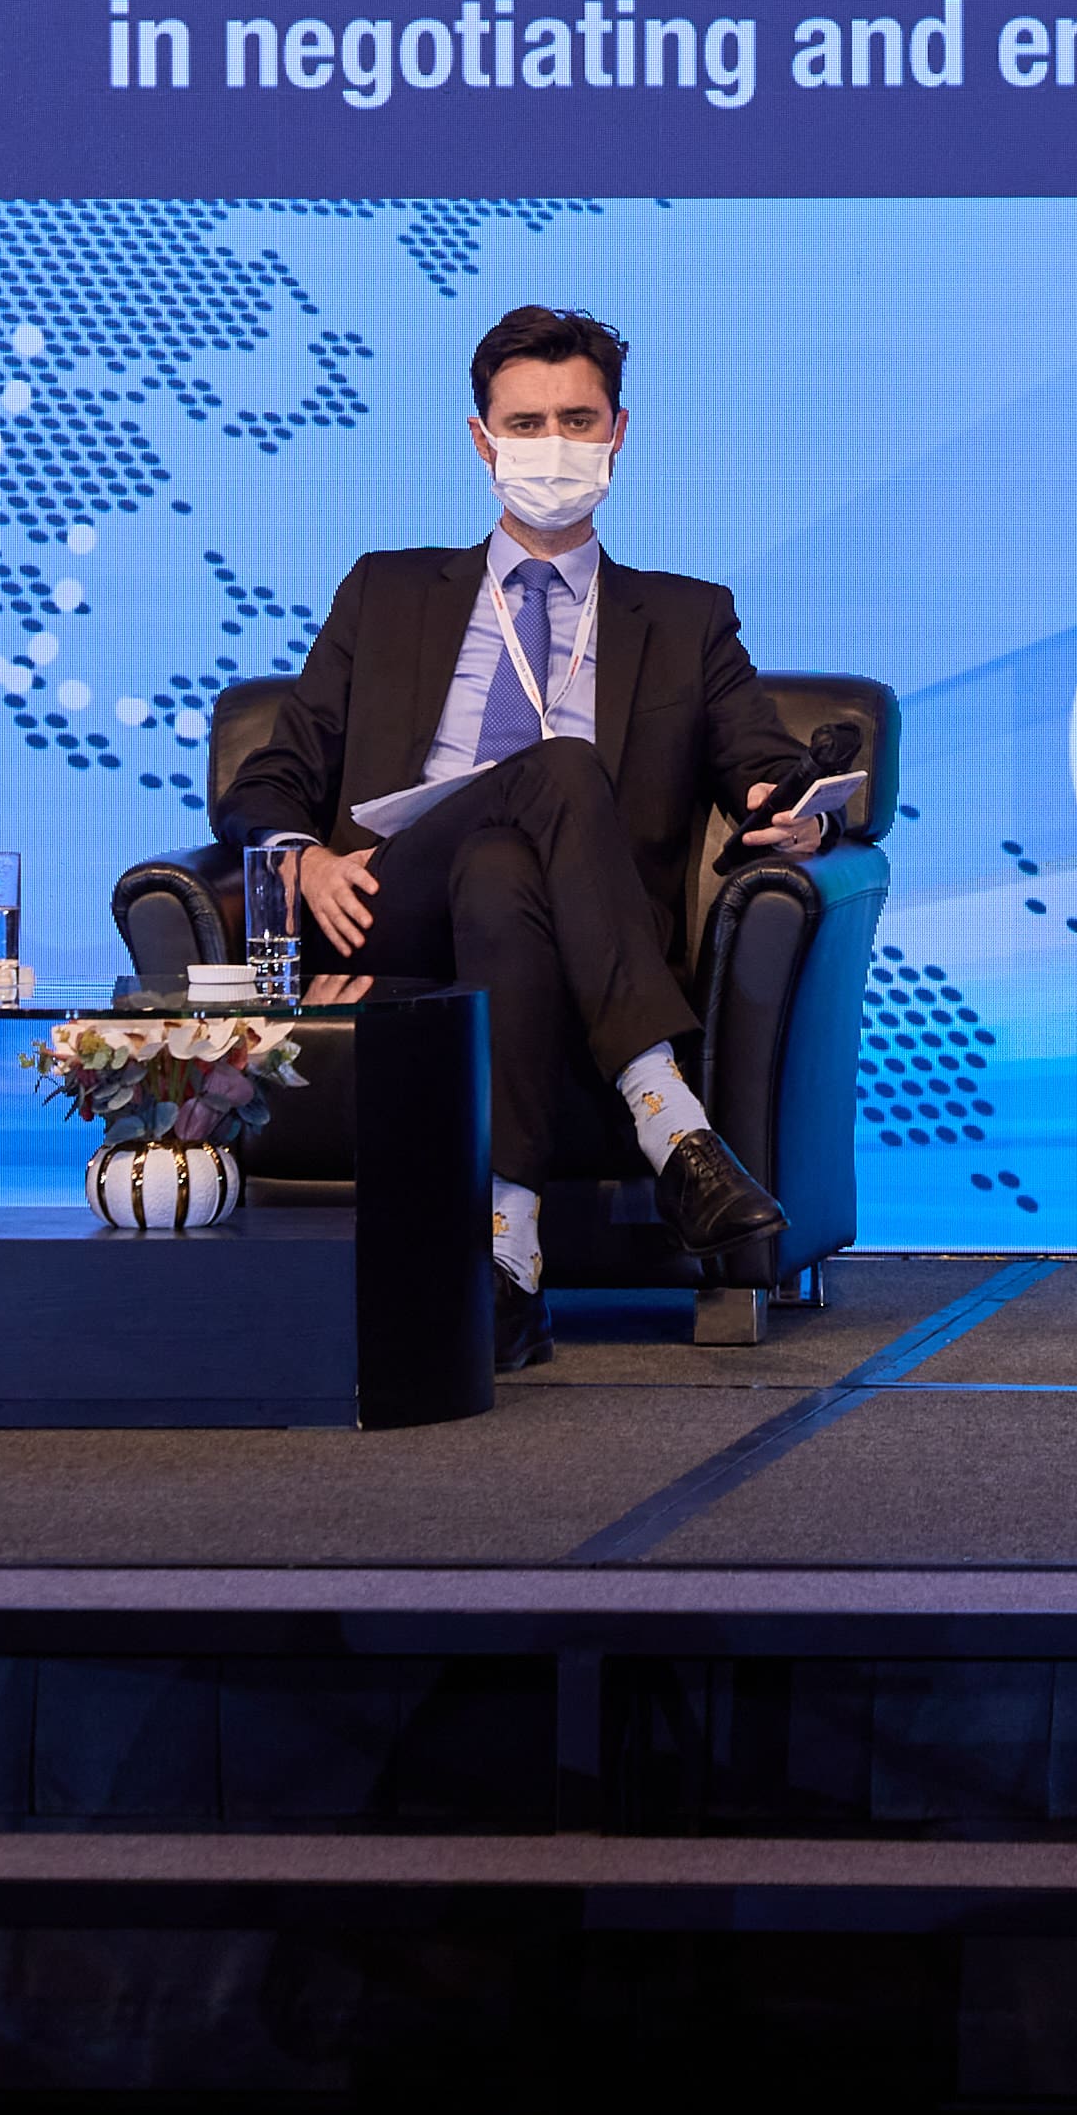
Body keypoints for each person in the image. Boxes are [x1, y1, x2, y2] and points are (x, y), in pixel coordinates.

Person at [229, 305, 827, 1371]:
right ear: (482, 440)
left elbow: (761, 762)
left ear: (618, 433)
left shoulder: (685, 618)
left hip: (573, 935)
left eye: (577, 420)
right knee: (558, 763)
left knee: (507, 867)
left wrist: (800, 808)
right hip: (390, 910)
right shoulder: (386, 592)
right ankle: (669, 1120)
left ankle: (507, 1263)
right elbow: (268, 780)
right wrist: (303, 861)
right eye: (526, 423)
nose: (553, 445)